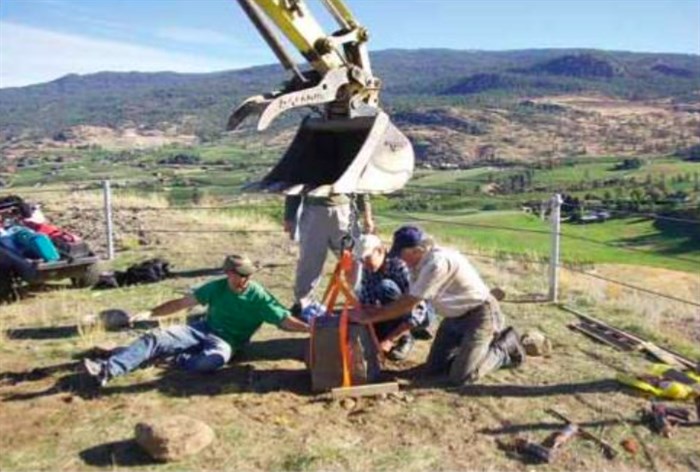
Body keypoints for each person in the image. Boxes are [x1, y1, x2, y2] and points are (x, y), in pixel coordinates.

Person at [83, 254, 309, 387]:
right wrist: (151, 313)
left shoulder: (258, 296)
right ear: (228, 273)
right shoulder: (216, 288)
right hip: (203, 329)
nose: (245, 279)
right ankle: (107, 370)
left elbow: (284, 320)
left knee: (211, 361)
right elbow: (182, 303)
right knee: (154, 336)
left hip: (227, 342)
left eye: (248, 274)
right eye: (241, 274)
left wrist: (310, 330)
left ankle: (175, 359)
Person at [351, 226, 525, 385]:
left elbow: (410, 302)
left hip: (480, 315)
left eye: (402, 254)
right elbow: (405, 299)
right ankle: (469, 353)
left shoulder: (437, 263)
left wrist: (372, 317)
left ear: (417, 250)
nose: (400, 259)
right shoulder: (417, 265)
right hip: (452, 318)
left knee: (462, 377)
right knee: (433, 371)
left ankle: (504, 348)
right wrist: (375, 312)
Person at [284, 193, 374, 313]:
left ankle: (365, 301)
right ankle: (302, 304)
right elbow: (295, 184)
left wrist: (367, 215)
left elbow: (360, 184)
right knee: (310, 261)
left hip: (345, 211)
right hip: (313, 210)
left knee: (354, 258)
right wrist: (289, 217)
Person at [356, 234, 434, 361]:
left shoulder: (400, 266)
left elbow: (418, 309)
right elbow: (366, 302)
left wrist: (389, 340)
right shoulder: (368, 268)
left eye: (367, 258)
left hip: (420, 314)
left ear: (380, 251)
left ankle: (407, 335)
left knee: (385, 286)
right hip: (391, 312)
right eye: (361, 260)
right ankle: (389, 331)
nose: (364, 264)